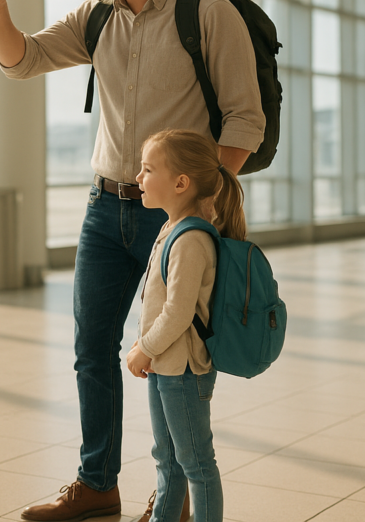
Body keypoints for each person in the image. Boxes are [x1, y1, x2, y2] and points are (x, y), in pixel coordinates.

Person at [0, 0, 264, 522]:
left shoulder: (207, 14)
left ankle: (170, 491)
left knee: (169, 355)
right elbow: (25, 60)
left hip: (172, 219)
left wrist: (195, 203)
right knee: (92, 346)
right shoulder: (98, 17)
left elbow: (245, 119)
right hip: (106, 207)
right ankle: (97, 483)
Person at [126, 129, 240, 522]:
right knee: (167, 460)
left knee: (195, 463)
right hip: (166, 366)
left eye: (147, 169)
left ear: (180, 183)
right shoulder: (171, 228)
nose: (138, 178)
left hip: (183, 371)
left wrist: (144, 348)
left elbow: (177, 311)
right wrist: (151, 352)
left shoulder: (190, 238)